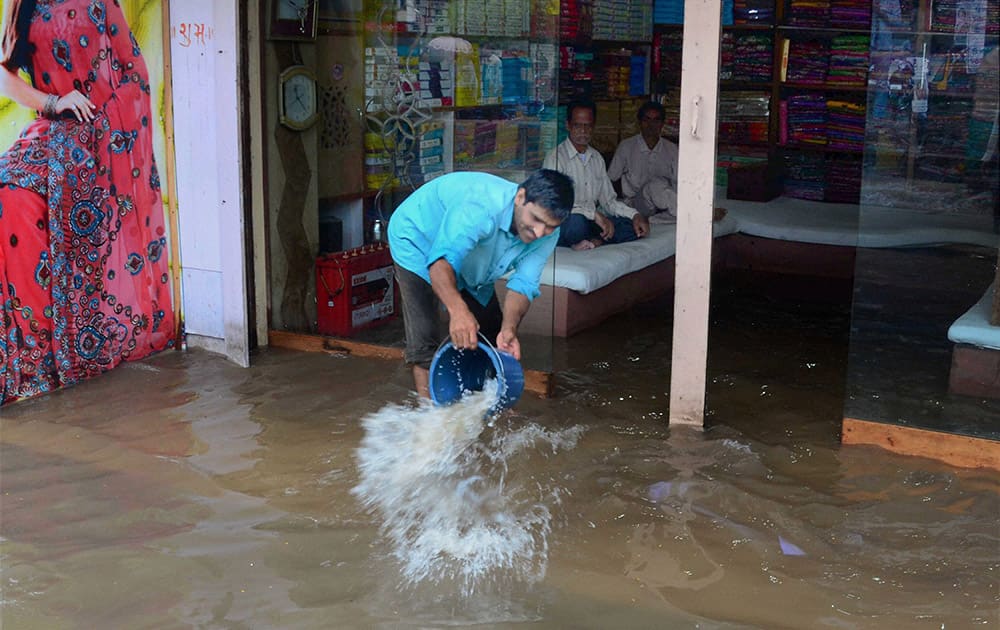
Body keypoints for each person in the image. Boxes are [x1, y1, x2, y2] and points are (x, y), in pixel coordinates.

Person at [0, 0, 175, 405]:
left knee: (79, 232)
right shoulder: (23, 6)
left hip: (105, 136)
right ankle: (36, 357)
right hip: (52, 130)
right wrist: (52, 103)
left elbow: (134, 71)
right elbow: (4, 75)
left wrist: (106, 127)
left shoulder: (99, 3)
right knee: (9, 196)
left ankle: (78, 350)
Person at [387, 169, 574, 398]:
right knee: (425, 341)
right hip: (417, 240)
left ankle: (492, 409)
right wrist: (457, 311)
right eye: (535, 219)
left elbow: (523, 285)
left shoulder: (548, 234)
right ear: (520, 197)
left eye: (550, 226)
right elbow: (440, 264)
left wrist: (509, 329)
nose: (539, 232)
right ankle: (430, 421)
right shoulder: (479, 207)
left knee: (495, 334)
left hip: (474, 259)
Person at [543, 100, 650, 251]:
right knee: (576, 224)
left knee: (631, 227)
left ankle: (593, 241)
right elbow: (554, 206)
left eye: (588, 125)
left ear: (593, 126)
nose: (583, 131)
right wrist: (593, 214)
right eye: (577, 125)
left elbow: (609, 202)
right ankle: (592, 239)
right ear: (568, 125)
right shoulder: (555, 158)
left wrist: (635, 215)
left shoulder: (596, 158)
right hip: (566, 222)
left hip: (592, 222)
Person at [607, 101, 679, 218]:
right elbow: (610, 179)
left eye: (656, 120)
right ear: (639, 122)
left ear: (662, 124)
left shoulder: (672, 149)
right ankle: (690, 213)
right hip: (636, 204)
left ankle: (681, 213)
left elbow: (678, 182)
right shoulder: (626, 146)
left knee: (659, 186)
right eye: (647, 120)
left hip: (664, 205)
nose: (651, 125)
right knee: (654, 185)